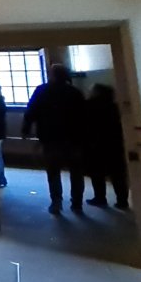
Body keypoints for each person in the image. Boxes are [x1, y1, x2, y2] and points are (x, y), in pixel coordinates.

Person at [22, 63, 86, 214]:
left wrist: (26, 130)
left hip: (50, 138)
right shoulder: (74, 92)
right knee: (76, 172)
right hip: (73, 138)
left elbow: (31, 111)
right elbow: (84, 117)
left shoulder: (42, 90)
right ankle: (77, 203)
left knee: (53, 172)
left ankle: (56, 202)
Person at [83, 84, 130, 210]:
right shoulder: (113, 106)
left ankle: (100, 197)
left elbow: (85, 125)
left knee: (97, 173)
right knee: (118, 174)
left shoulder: (89, 105)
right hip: (114, 143)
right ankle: (122, 200)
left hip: (95, 144)